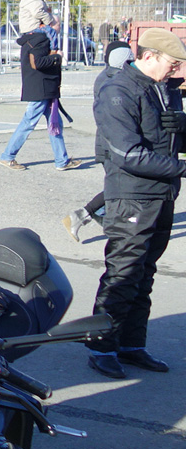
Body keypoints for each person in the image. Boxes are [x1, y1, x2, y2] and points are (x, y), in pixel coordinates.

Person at [87, 27, 186, 379]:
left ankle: (131, 344)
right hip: (131, 196)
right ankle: (101, 346)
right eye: (173, 64)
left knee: (144, 274)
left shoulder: (164, 89)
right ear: (148, 56)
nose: (177, 71)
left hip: (161, 193)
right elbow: (128, 154)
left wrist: (184, 127)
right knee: (123, 274)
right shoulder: (118, 90)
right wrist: (183, 167)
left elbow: (166, 138)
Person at [63, 40, 133, 241]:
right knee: (120, 185)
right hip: (112, 145)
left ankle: (102, 219)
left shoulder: (110, 76)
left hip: (110, 143)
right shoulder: (114, 80)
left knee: (120, 186)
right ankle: (82, 215)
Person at [0, 24, 82, 171]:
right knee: (29, 123)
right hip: (41, 89)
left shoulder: (32, 38)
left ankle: (61, 161)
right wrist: (57, 57)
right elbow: (37, 62)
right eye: (57, 25)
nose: (58, 29)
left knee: (55, 124)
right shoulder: (42, 39)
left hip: (43, 88)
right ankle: (7, 156)